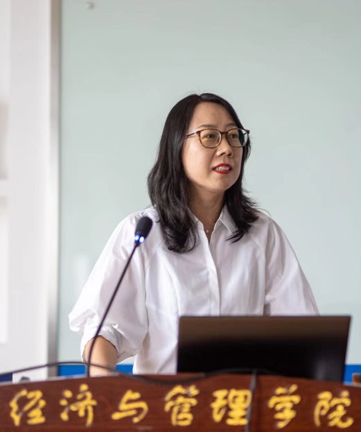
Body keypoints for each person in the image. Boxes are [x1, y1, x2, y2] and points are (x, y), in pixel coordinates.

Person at [69, 93, 318, 376]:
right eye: (210, 136)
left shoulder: (263, 234)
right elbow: (104, 330)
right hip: (164, 401)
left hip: (243, 401)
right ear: (176, 147)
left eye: (233, 136)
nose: (226, 148)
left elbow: (301, 330)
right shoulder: (142, 232)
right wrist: (104, 389)